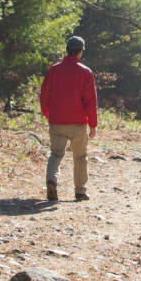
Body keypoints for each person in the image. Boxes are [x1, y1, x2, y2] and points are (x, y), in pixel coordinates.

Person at [39, 35, 98, 202]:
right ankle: (80, 191)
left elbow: (44, 95)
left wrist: (48, 114)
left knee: (56, 154)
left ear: (67, 50)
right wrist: (93, 125)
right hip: (78, 123)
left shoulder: (54, 70)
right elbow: (90, 101)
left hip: (57, 120)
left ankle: (52, 180)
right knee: (80, 157)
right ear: (80, 52)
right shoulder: (86, 72)